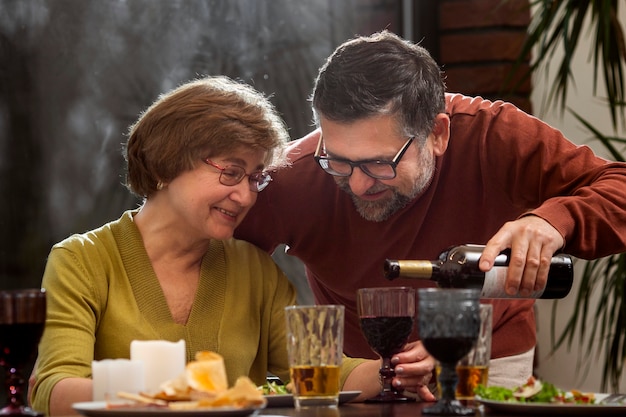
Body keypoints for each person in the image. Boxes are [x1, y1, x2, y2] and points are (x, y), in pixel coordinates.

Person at [235, 30, 626, 394]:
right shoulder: (298, 172)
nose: (356, 184)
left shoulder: (494, 136)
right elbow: (214, 253)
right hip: (362, 373)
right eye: (339, 161)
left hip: (488, 361)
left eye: (379, 163)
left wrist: (554, 221)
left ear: (438, 134)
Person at [29, 76, 386, 416]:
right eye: (231, 172)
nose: (246, 196)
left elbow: (327, 375)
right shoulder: (81, 260)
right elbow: (54, 390)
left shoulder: (254, 269)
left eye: (255, 178)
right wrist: (169, 396)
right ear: (166, 164)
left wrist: (395, 369)